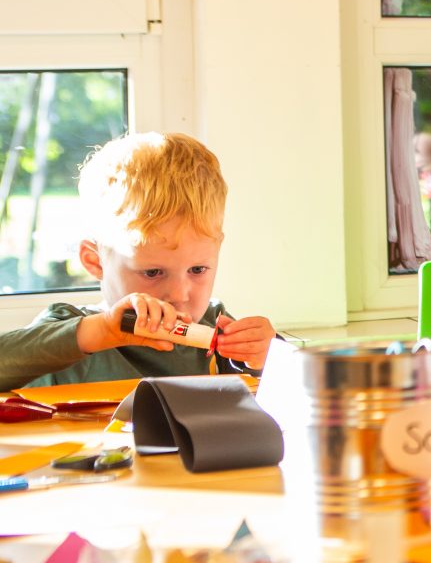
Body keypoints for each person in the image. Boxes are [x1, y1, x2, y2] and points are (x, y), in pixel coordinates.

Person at [0, 132, 276, 390]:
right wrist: (105, 329)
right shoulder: (69, 330)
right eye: (153, 272)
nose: (179, 295)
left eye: (198, 269)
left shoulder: (216, 326)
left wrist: (267, 356)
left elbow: (283, 401)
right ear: (95, 262)